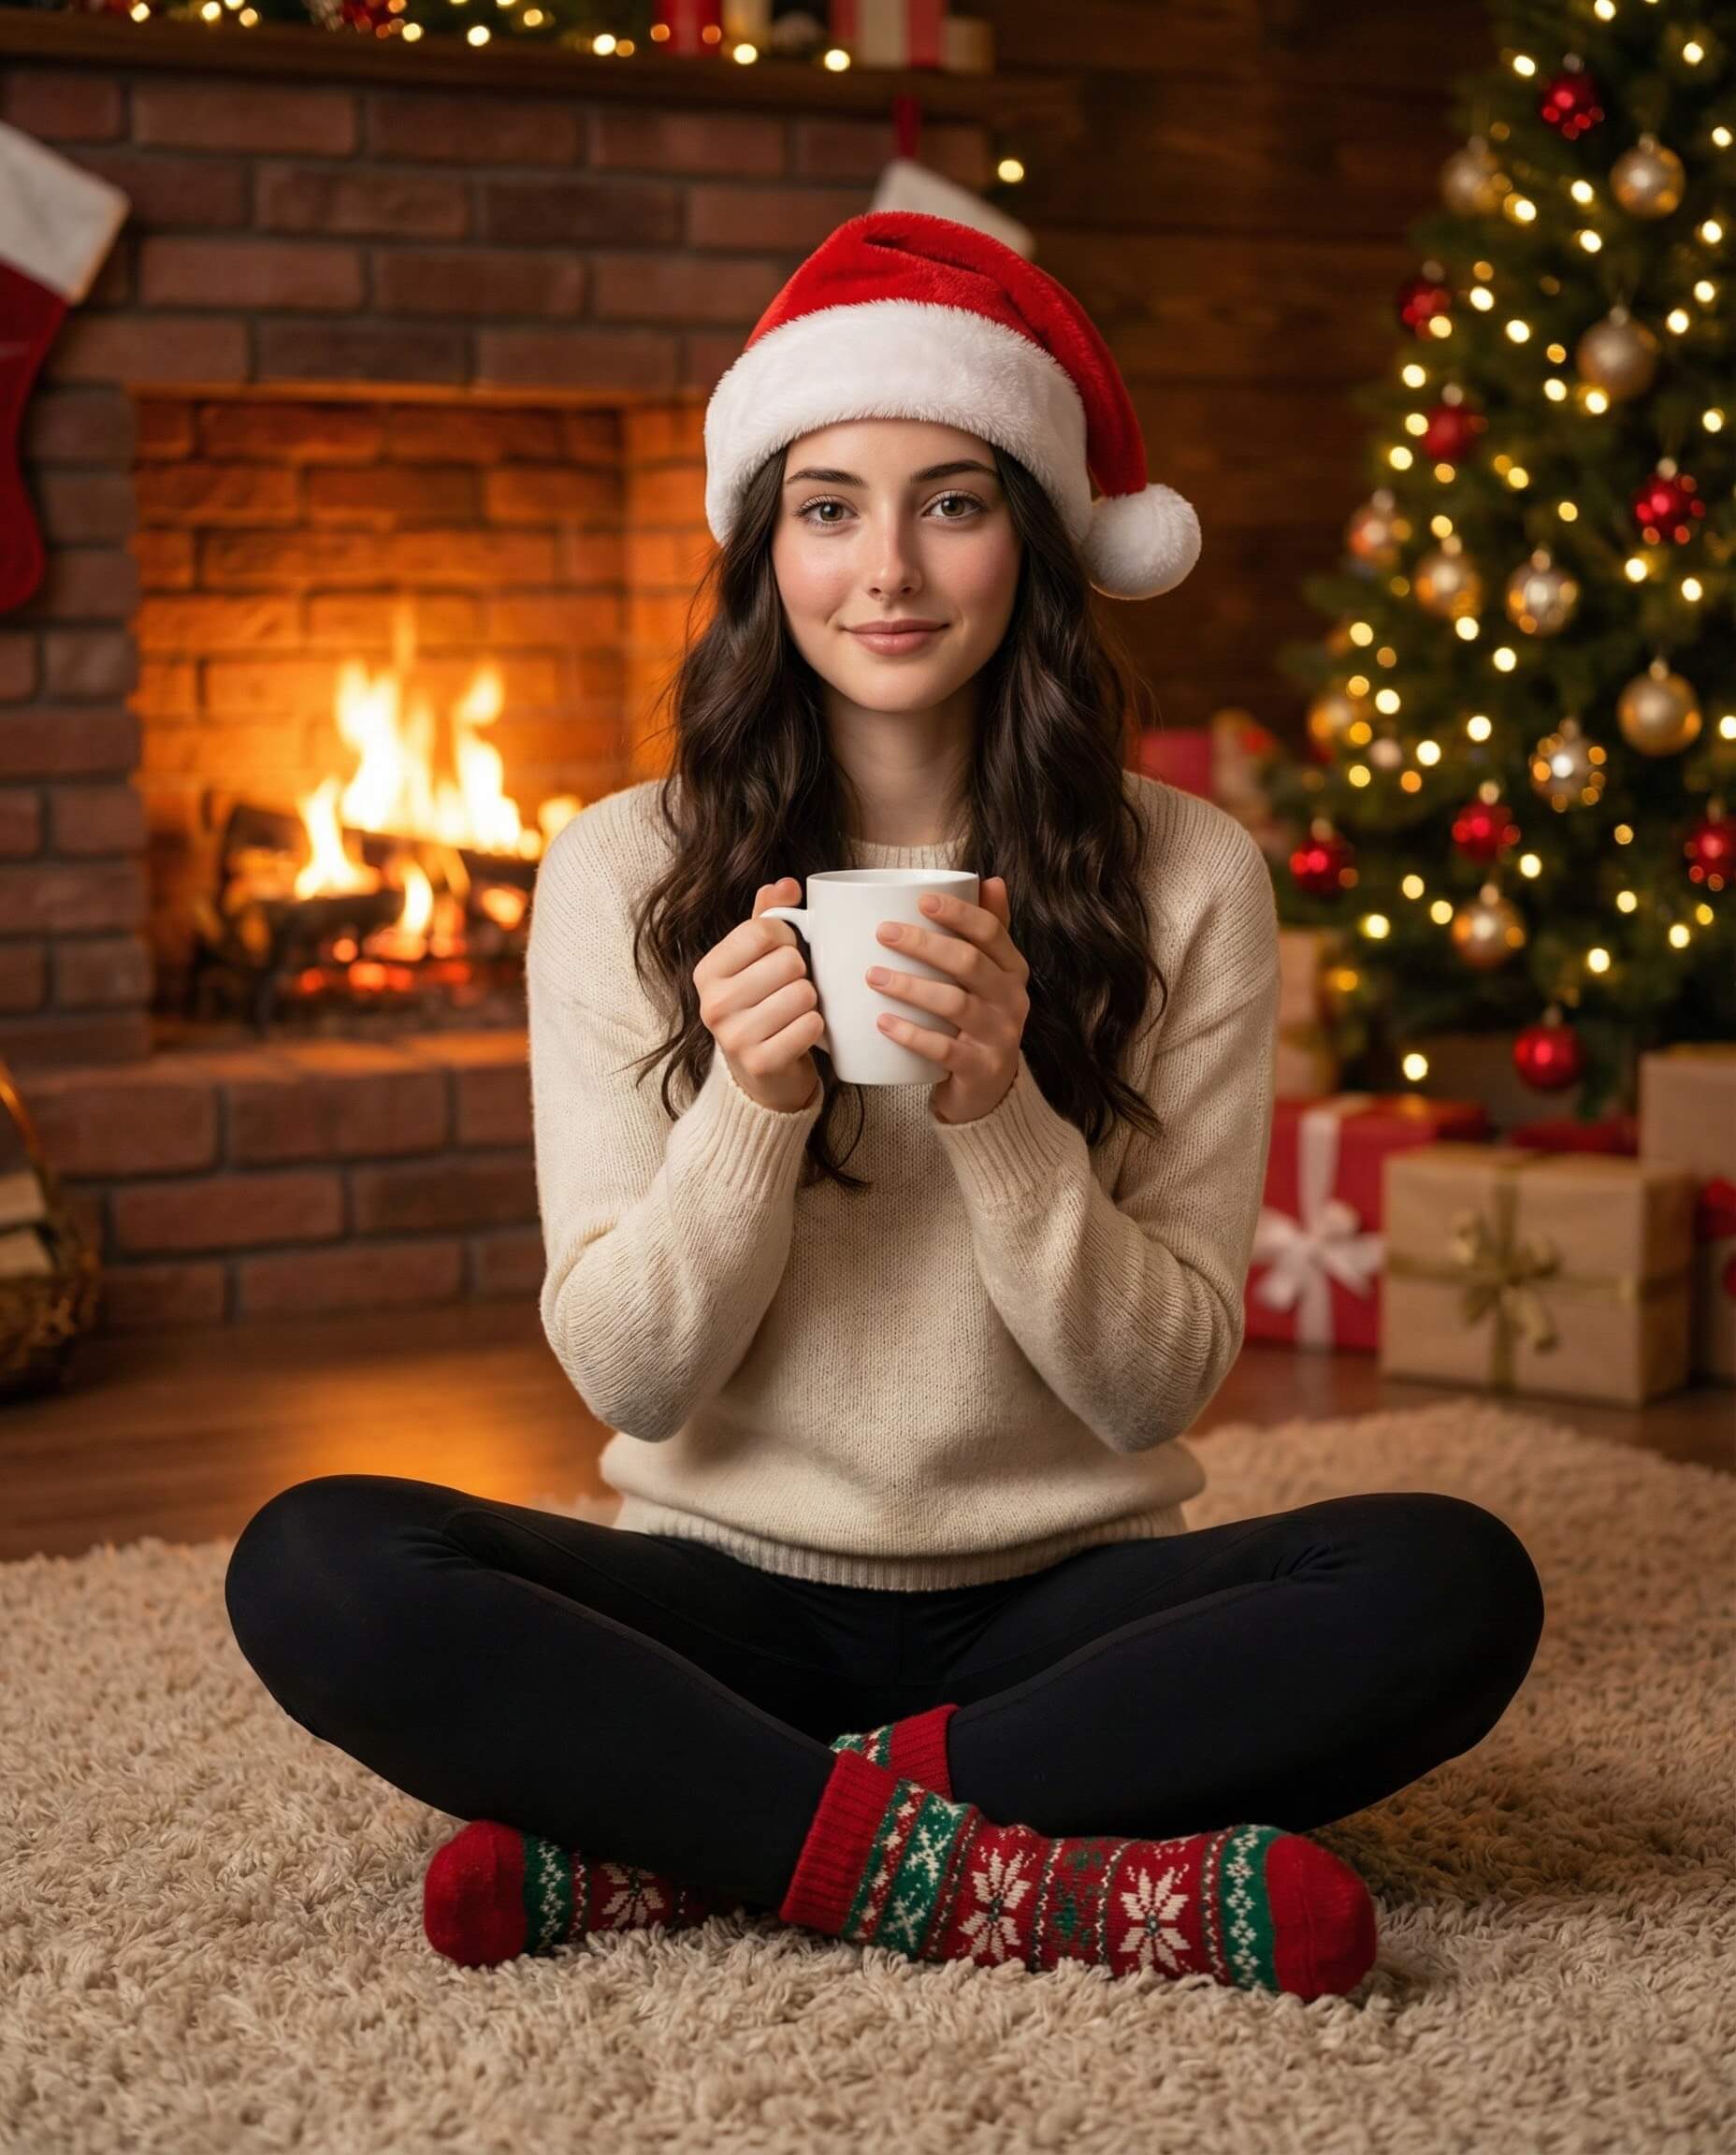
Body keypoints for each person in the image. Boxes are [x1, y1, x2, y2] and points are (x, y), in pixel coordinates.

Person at [224, 210, 1544, 2001]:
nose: (890, 570)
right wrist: (748, 1112)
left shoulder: (1190, 876)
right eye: (830, 508)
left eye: (954, 502)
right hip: (719, 1601)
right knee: (315, 1563)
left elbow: (1153, 1388)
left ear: (1034, 540)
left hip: (1063, 1604)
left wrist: (1005, 1115)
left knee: (1452, 1582)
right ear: (768, 550)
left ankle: (692, 1832)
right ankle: (1023, 1880)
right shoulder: (619, 869)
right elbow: (631, 1379)